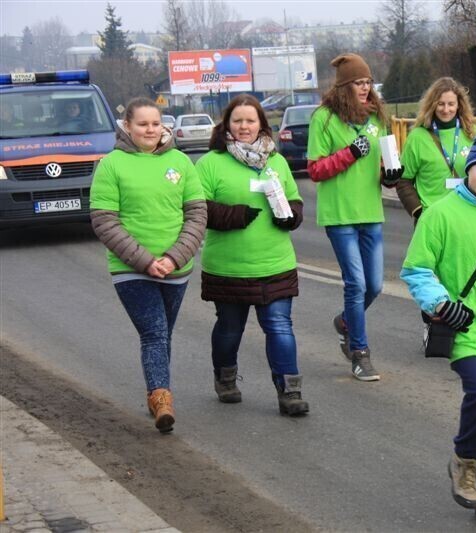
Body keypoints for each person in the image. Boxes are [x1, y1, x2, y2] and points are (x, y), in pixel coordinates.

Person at [401, 130, 476, 528]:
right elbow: (417, 269)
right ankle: (464, 460)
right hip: (464, 328)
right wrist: (441, 304)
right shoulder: (440, 213)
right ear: (469, 168)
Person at [89, 97, 207, 433]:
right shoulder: (111, 165)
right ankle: (162, 400)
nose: (150, 130)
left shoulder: (181, 162)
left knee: (162, 335)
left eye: (155, 124)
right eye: (142, 124)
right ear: (127, 126)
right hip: (131, 271)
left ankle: (155, 391)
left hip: (176, 269)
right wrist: (145, 261)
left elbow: (197, 214)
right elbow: (104, 220)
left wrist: (173, 258)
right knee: (154, 333)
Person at [195, 94, 309, 416]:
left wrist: (291, 215)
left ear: (261, 124)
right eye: (237, 120)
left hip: (275, 261)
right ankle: (225, 377)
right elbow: (196, 208)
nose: (244, 126)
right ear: (227, 125)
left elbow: (295, 199)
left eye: (250, 120)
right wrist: (233, 216)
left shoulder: (277, 161)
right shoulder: (210, 163)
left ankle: (290, 391)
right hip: (229, 266)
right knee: (230, 328)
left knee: (279, 326)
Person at [306, 53, 401, 382]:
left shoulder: (378, 119)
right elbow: (315, 170)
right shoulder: (325, 119)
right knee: (356, 284)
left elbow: (387, 166)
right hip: (340, 215)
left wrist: (392, 174)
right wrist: (350, 153)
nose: (365, 88)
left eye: (368, 82)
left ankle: (346, 321)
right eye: (359, 83)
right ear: (345, 86)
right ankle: (360, 354)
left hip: (371, 212)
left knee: (374, 285)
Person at [396, 77, 476, 223]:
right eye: (440, 104)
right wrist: (419, 213)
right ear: (432, 105)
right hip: (431, 219)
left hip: (467, 217)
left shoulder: (472, 133)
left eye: (451, 104)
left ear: (459, 105)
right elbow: (403, 181)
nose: (446, 110)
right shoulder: (417, 137)